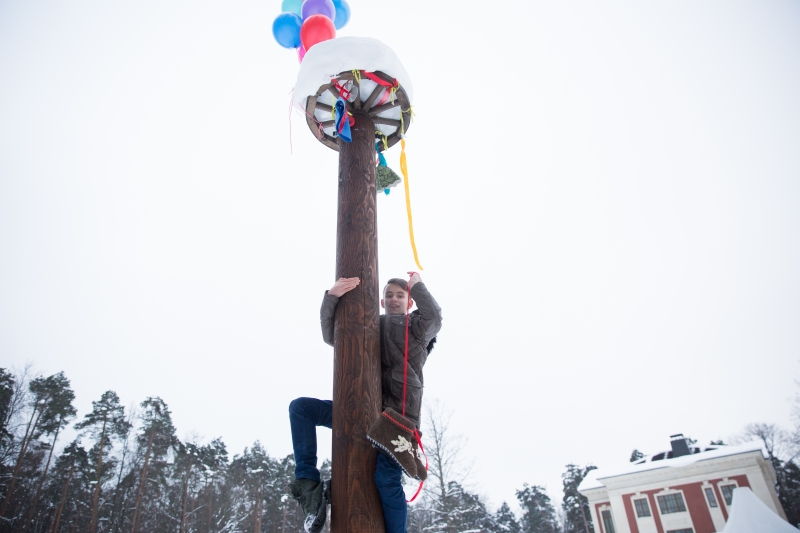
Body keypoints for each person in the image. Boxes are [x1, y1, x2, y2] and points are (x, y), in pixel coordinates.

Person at [287, 272, 442, 533]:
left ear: (410, 302)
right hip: (358, 407)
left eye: (400, 295)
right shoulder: (369, 323)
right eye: (389, 295)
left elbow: (435, 317)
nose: (394, 299)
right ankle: (309, 488)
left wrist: (419, 286)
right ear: (381, 302)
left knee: (386, 478)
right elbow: (332, 335)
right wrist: (332, 297)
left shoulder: (417, 328)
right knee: (301, 409)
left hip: (397, 418)